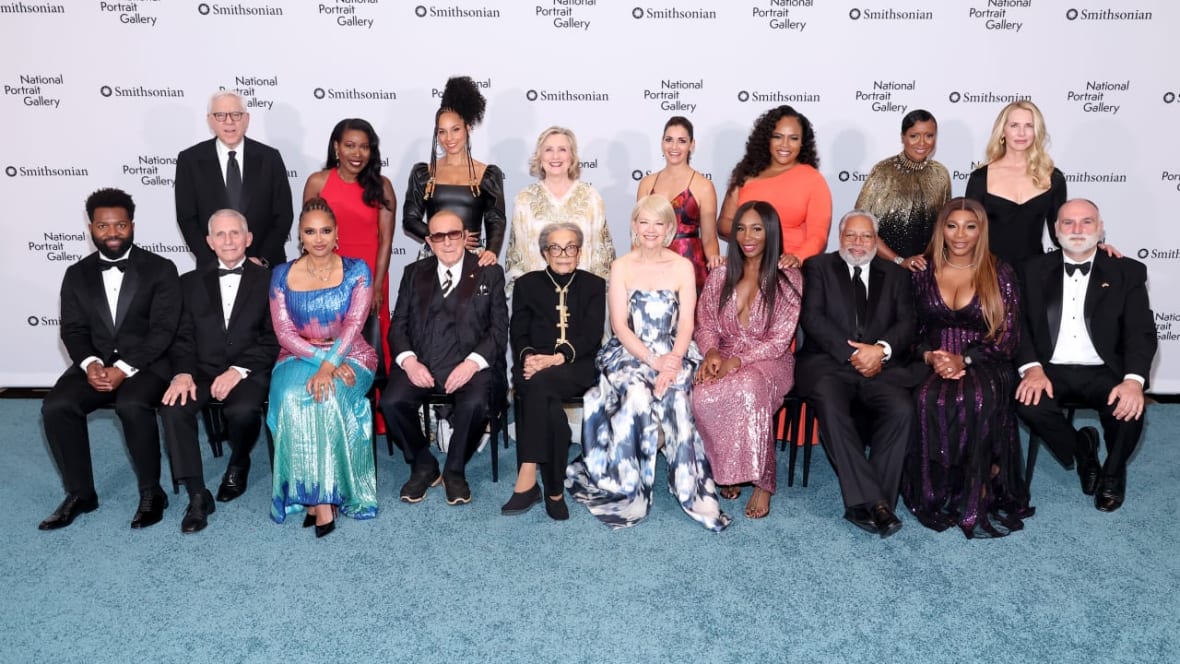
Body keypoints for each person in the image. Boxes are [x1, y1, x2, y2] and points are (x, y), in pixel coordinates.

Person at [566, 196, 731, 532]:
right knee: (638, 396)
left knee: (678, 397)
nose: (651, 230)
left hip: (674, 350)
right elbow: (619, 326)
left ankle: (690, 489)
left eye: (659, 223)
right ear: (634, 225)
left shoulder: (682, 266)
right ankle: (628, 487)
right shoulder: (621, 266)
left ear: (670, 228)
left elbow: (687, 324)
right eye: (644, 222)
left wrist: (671, 363)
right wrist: (653, 360)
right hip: (631, 352)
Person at [39, 188, 181, 531]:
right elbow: (73, 329)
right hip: (97, 363)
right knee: (57, 406)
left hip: (147, 363)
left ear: (132, 225)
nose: (112, 233)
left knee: (132, 405)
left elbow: (163, 330)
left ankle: (152, 492)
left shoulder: (161, 269)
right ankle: (80, 493)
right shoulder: (76, 273)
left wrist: (124, 368)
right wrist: (90, 364)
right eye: (103, 226)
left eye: (120, 225)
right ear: (91, 228)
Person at [902, 197, 1032, 538]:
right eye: (952, 226)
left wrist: (966, 359)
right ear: (941, 230)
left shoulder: (999, 271)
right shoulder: (922, 271)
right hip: (934, 358)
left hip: (987, 359)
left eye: (970, 227)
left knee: (973, 398)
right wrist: (929, 356)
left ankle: (980, 484)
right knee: (926, 399)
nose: (960, 235)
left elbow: (1008, 336)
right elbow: (909, 329)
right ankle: (939, 489)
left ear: (981, 231)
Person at [1015, 199, 1156, 512]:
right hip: (1049, 368)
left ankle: (1113, 474)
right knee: (1028, 404)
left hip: (1104, 369)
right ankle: (1083, 450)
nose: (1077, 229)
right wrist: (1032, 368)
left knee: (1130, 408)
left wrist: (1133, 381)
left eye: (1087, 222)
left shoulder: (1127, 271)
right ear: (1056, 230)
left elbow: (1140, 332)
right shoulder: (1030, 270)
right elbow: (1017, 326)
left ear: (1100, 229)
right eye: (1068, 222)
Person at [795, 210, 914, 538]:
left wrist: (881, 350)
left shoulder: (897, 275)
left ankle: (869, 503)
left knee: (902, 409)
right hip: (829, 364)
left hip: (880, 366)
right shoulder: (818, 267)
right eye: (851, 235)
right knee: (831, 405)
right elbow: (812, 318)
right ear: (840, 237)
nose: (858, 243)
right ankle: (878, 503)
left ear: (876, 240)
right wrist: (853, 353)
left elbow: (907, 323)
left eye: (866, 236)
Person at [159, 210, 279, 533]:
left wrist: (238, 370)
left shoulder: (270, 281)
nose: (228, 240)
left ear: (248, 238)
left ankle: (239, 461)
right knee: (173, 408)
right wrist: (183, 372)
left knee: (243, 411)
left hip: (248, 368)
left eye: (235, 233)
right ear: (209, 242)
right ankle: (197, 494)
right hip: (200, 368)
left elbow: (273, 338)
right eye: (220, 234)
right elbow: (181, 336)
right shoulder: (188, 283)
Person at [381, 210, 509, 507]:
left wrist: (472, 364)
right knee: (391, 402)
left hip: (470, 363)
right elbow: (398, 325)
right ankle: (423, 464)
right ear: (429, 241)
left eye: (454, 235)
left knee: (476, 403)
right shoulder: (414, 273)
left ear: (465, 237)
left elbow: (498, 329)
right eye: (439, 236)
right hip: (422, 360)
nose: (448, 243)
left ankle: (454, 469)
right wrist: (410, 362)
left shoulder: (489, 272)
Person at [267, 198, 377, 538]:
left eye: (325, 231)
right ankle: (309, 495)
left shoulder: (357, 270)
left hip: (351, 354)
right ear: (300, 235)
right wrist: (322, 362)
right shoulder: (281, 275)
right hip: (297, 354)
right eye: (311, 231)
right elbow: (284, 333)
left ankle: (326, 498)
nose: (318, 239)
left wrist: (332, 364)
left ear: (337, 233)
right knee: (290, 397)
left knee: (326, 396)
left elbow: (354, 325)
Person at [693, 201, 802, 519]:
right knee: (702, 394)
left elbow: (779, 341)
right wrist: (712, 352)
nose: (747, 236)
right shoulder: (721, 274)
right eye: (740, 228)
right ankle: (730, 470)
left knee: (749, 387)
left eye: (756, 229)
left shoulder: (788, 276)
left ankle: (763, 482)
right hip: (724, 353)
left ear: (771, 232)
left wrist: (738, 362)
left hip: (770, 360)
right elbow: (706, 324)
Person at [502, 222, 606, 520]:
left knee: (539, 385)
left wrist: (556, 358)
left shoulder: (594, 285)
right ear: (545, 253)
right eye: (555, 248)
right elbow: (518, 332)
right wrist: (529, 357)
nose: (563, 254)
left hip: (578, 366)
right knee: (547, 402)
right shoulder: (527, 284)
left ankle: (528, 475)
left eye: (570, 247)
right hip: (533, 365)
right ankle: (554, 489)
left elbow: (591, 335)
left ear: (579, 252)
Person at [303, 118, 396, 365]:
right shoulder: (317, 182)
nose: (357, 153)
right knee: (328, 340)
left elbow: (386, 240)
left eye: (364, 147)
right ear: (337, 147)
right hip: (328, 275)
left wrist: (377, 286)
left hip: (369, 277)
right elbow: (309, 233)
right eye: (350, 145)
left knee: (372, 343)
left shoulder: (382, 186)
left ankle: (374, 390)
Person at [175, 90, 293, 269]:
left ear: (247, 119)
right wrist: (214, 263)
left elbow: (283, 215)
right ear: (210, 120)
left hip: (263, 268)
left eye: (236, 114)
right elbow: (187, 218)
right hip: (213, 270)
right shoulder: (190, 160)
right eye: (220, 115)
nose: (229, 121)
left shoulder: (270, 158)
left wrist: (262, 259)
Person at [403, 76, 506, 266]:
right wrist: (444, 238)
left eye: (455, 129)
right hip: (433, 257)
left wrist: (492, 250)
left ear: (468, 128)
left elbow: (495, 219)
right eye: (442, 131)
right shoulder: (424, 173)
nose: (448, 138)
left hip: (473, 260)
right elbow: (410, 220)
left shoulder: (487, 173)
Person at [719, 105, 832, 269]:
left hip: (790, 268)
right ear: (767, 139)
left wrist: (797, 258)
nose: (785, 145)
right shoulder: (745, 174)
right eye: (778, 136)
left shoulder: (813, 180)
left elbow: (818, 236)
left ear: (802, 143)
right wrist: (756, 235)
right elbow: (724, 223)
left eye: (793, 138)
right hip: (747, 266)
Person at [504, 126, 615, 289]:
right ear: (540, 157)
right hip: (537, 294)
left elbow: (603, 257)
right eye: (548, 150)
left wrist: (597, 294)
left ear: (572, 156)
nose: (555, 156)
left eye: (562, 149)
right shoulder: (524, 199)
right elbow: (516, 258)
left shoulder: (591, 197)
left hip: (583, 294)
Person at [964, 100, 1066, 267]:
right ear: (1002, 131)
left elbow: (1060, 235)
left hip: (1036, 274)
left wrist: (1095, 250)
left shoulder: (1053, 178)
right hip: (990, 273)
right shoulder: (980, 178)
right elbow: (968, 233)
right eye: (1014, 125)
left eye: (1029, 126)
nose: (1021, 133)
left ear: (1036, 132)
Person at [854, 109, 951, 271]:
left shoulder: (940, 174)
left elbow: (943, 226)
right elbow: (861, 225)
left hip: (925, 268)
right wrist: (899, 261)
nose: (922, 143)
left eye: (929, 136)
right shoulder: (883, 172)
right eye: (914, 136)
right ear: (903, 137)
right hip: (885, 268)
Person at [636, 116, 721, 290]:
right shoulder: (647, 184)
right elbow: (638, 235)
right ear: (662, 143)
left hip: (690, 265)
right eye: (669, 140)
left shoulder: (704, 186)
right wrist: (634, 269)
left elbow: (709, 238)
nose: (674, 147)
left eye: (681, 141)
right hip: (652, 264)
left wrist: (715, 276)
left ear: (692, 145)